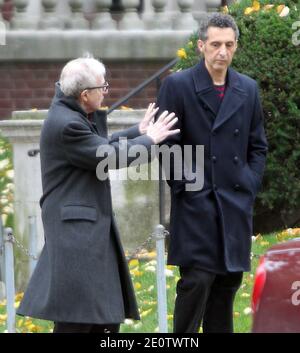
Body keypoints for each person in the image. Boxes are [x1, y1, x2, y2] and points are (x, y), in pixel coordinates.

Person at [17, 56, 179, 333]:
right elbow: (107, 156)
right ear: (84, 95)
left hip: (84, 231)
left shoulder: (70, 115)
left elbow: (98, 146)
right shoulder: (68, 124)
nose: (107, 91)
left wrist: (136, 132)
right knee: (78, 319)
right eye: (102, 87)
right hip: (76, 236)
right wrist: (150, 139)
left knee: (101, 317)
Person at [156, 13, 268, 333]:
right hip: (195, 205)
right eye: (216, 44)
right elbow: (167, 145)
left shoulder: (247, 88)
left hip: (234, 202)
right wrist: (188, 188)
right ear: (202, 45)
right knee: (197, 281)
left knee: (227, 284)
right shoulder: (177, 86)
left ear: (235, 47)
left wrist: (248, 183)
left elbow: (257, 145)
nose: (223, 51)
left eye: (229, 45)